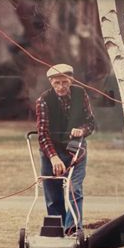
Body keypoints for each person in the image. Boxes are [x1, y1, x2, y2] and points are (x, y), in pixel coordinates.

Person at [36, 64, 95, 235]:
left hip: (76, 150)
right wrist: (54, 157)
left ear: (71, 80)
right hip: (51, 151)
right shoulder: (43, 101)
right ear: (51, 82)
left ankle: (73, 229)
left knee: (74, 188)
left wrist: (82, 130)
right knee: (52, 190)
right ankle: (57, 229)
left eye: (64, 82)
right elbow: (42, 134)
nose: (61, 87)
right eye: (57, 83)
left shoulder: (80, 94)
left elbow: (91, 123)